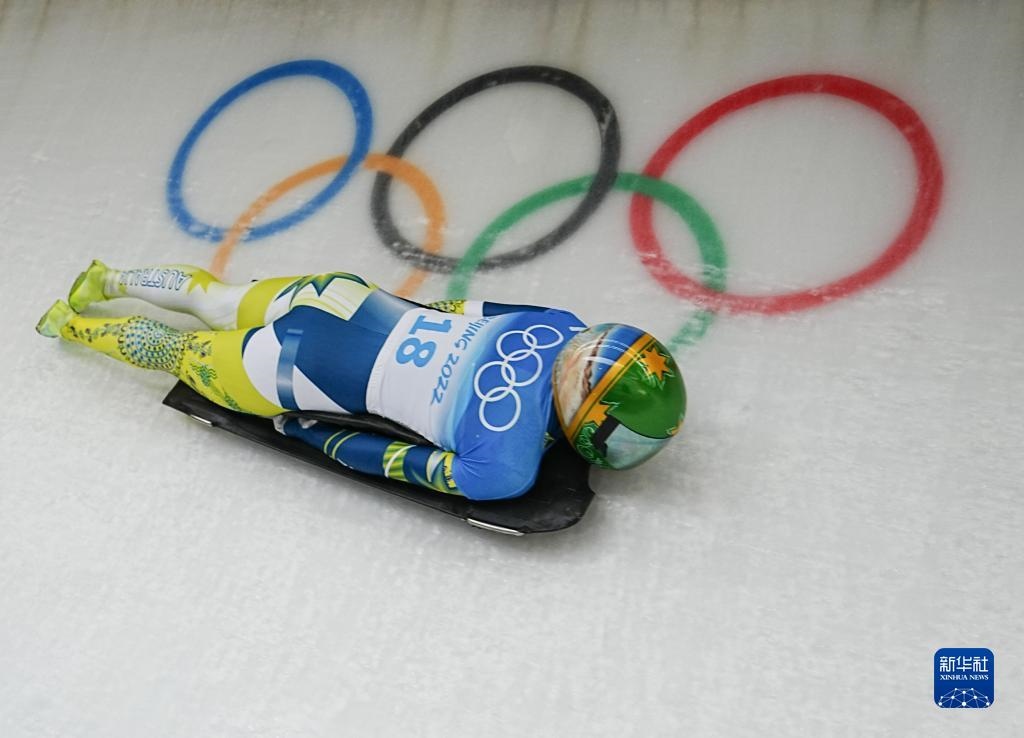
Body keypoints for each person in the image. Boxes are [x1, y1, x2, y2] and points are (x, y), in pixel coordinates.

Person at [36, 260, 686, 500]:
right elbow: (386, 459)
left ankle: (107, 279)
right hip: (300, 372)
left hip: (347, 296)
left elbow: (454, 308)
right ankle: (72, 325)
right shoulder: (505, 469)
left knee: (216, 297)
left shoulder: (560, 322)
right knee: (179, 353)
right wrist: (306, 432)